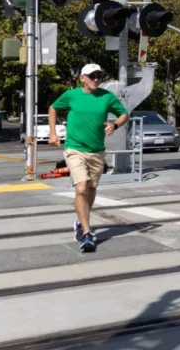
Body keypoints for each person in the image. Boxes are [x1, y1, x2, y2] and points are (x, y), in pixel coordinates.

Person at [49, 63, 129, 252]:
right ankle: (87, 234)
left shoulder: (107, 96)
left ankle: (80, 219)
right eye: (92, 76)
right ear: (82, 78)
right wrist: (53, 133)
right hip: (74, 149)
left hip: (97, 151)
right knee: (82, 187)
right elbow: (53, 108)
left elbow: (124, 114)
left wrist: (115, 125)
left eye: (99, 76)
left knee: (91, 190)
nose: (96, 79)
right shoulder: (71, 95)